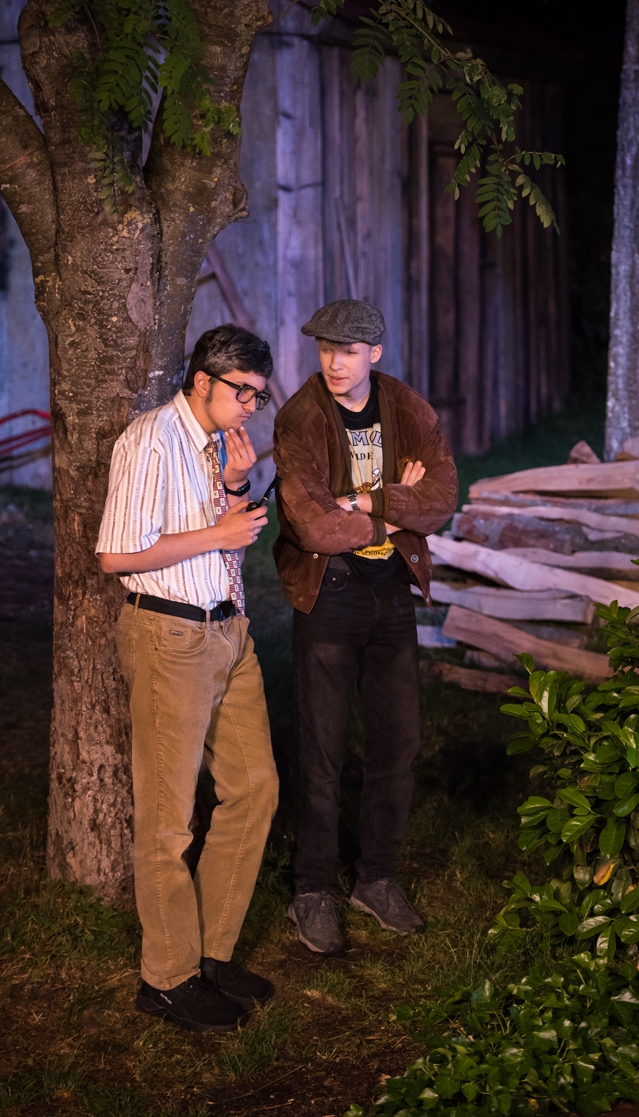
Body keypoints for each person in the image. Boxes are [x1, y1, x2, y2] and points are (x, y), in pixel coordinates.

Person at [96, 325, 279, 1033]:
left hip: (228, 630)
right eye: (243, 392)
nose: (250, 407)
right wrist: (218, 533)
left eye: (258, 396)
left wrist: (233, 489)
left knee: (254, 788)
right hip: (170, 636)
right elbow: (116, 555)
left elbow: (217, 538)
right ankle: (167, 978)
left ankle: (209, 954)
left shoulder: (214, 448)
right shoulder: (150, 440)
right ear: (203, 380)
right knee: (169, 818)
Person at [273, 299, 458, 955]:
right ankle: (313, 888)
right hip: (330, 593)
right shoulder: (300, 417)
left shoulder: (406, 409)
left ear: (373, 354)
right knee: (321, 750)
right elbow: (314, 526)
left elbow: (440, 500)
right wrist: (394, 510)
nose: (334, 363)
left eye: (348, 351)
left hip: (390, 593)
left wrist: (361, 500)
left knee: (397, 743)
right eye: (326, 348)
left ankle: (376, 879)